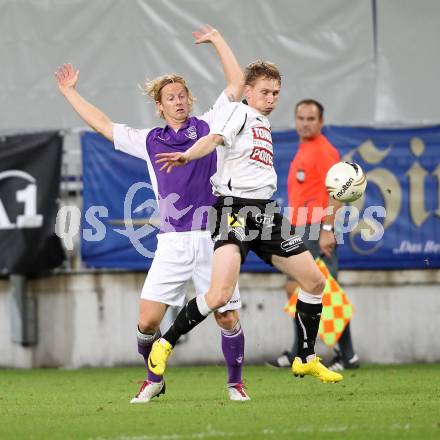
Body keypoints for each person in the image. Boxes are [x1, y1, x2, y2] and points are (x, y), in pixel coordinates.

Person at [55, 25, 250, 402]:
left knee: (226, 316)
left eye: (182, 95)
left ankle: (235, 383)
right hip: (172, 243)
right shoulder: (149, 140)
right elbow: (103, 124)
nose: (178, 101)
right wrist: (69, 92)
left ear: (189, 100)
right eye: (170, 97)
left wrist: (218, 40)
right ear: (159, 106)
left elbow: (238, 83)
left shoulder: (210, 126)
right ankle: (154, 378)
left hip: (213, 237)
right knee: (146, 323)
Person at [151, 61, 343, 385]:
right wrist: (187, 156)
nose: (271, 98)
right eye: (265, 92)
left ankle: (306, 357)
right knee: (219, 296)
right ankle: (165, 342)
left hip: (266, 213)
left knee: (314, 282)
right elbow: (212, 141)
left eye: (276, 93)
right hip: (234, 210)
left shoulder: (261, 122)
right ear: (249, 91)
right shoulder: (237, 113)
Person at [267, 99, 360, 371]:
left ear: (321, 122)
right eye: (301, 118)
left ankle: (348, 354)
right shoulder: (305, 148)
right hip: (300, 229)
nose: (305, 123)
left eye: (311, 119)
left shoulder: (324, 151)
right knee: (295, 288)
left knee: (325, 290)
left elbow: (338, 193)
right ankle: (300, 351)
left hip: (318, 228)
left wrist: (328, 230)